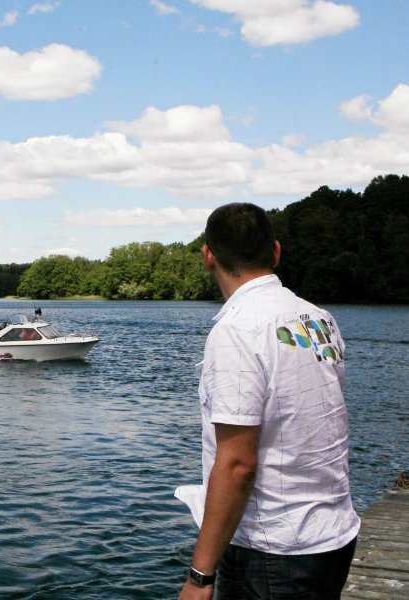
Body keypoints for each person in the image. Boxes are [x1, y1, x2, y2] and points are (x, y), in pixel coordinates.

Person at [177, 203, 360, 600]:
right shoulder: (319, 319)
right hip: (333, 536)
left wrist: (200, 576)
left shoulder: (237, 330)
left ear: (209, 256)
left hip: (273, 551)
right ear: (275, 251)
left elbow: (238, 463)